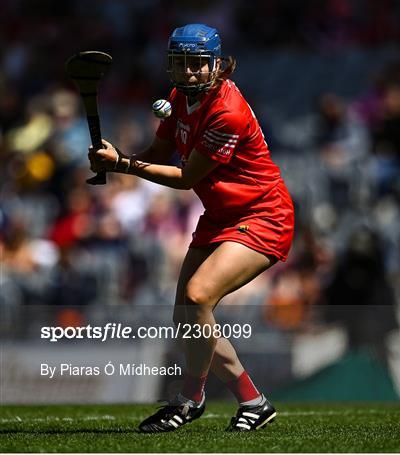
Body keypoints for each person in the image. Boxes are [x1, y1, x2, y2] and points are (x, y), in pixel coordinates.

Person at [88, 24, 294, 432]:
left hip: (263, 214)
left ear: (217, 66)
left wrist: (124, 165)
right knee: (187, 317)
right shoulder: (179, 98)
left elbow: (184, 177)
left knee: (199, 296)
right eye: (181, 63)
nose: (189, 72)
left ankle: (188, 399)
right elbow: (158, 154)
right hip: (220, 216)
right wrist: (119, 156)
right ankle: (253, 401)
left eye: (198, 64)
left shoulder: (227, 112)